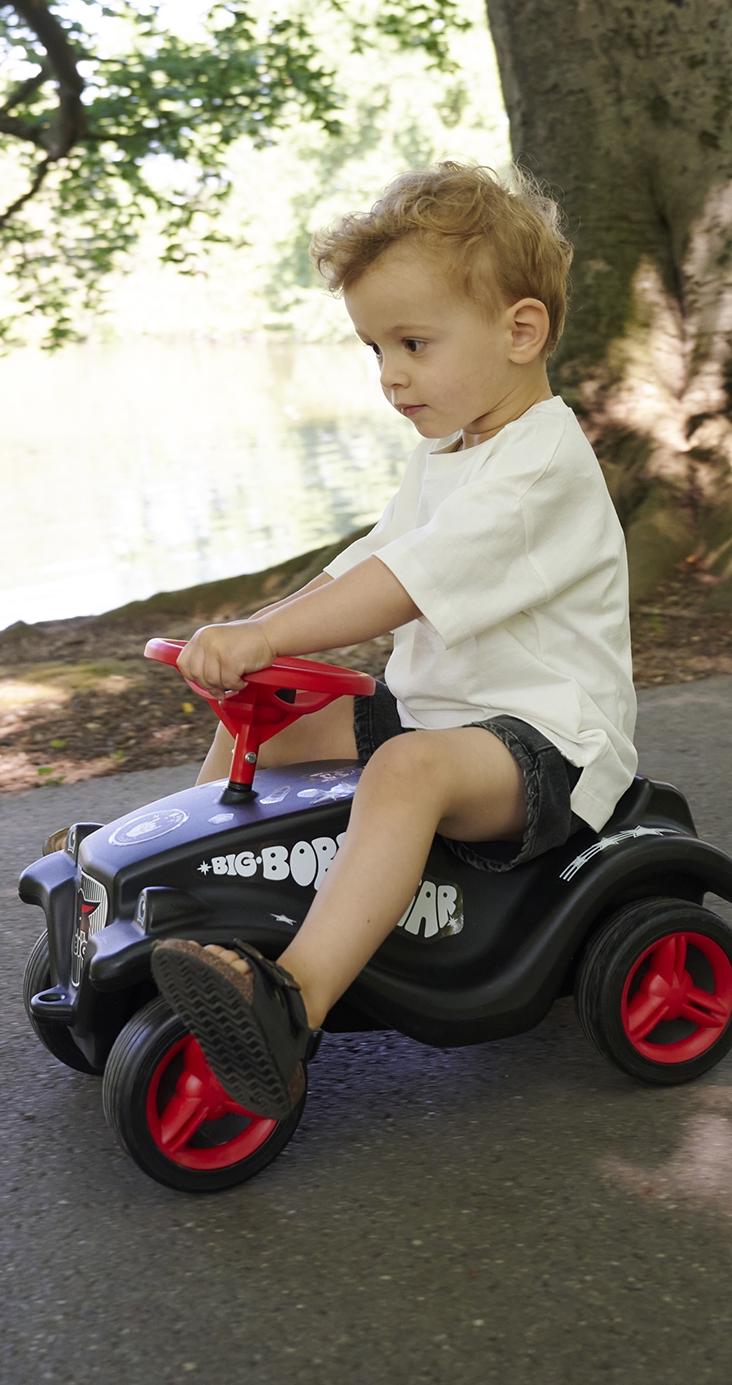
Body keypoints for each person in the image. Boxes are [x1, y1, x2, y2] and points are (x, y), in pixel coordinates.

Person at [149, 162, 636, 1118]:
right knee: (280, 716)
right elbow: (366, 556)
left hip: (546, 746)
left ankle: (293, 1005)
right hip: (439, 715)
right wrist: (260, 638)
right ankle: (177, 868)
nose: (391, 375)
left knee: (407, 769)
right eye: (376, 348)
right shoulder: (449, 450)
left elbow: (401, 585)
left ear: (520, 330)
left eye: (413, 342)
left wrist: (266, 628)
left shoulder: (539, 465)